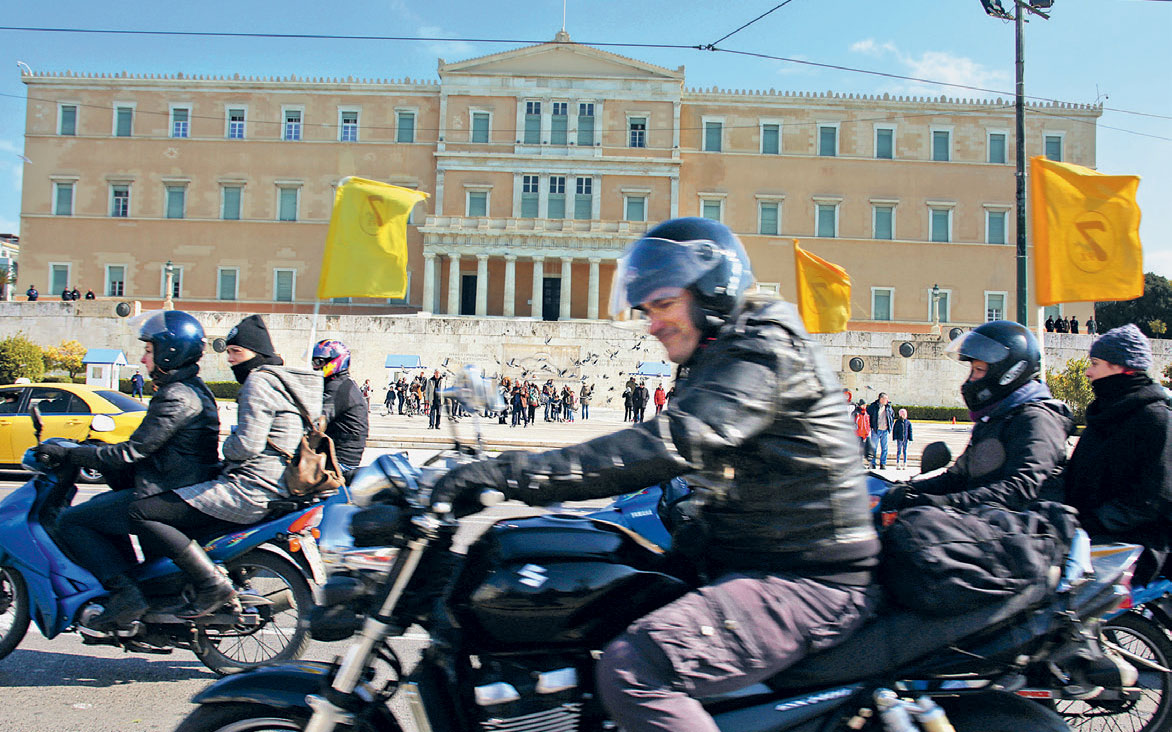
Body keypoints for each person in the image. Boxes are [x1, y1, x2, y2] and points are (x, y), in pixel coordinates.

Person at [420, 217, 879, 732]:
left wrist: (511, 473)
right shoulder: (720, 351)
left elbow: (676, 441)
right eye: (646, 310)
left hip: (808, 579)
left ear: (712, 291)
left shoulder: (763, 348)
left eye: (663, 304)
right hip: (745, 557)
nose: (651, 323)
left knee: (636, 670)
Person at [125, 314, 323, 619]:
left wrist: (225, 447)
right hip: (277, 484)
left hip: (250, 487)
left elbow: (247, 445)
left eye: (236, 352)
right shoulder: (285, 383)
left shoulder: (258, 381)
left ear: (256, 353)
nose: (231, 361)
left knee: (142, 511)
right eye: (228, 352)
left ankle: (210, 585)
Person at [42, 310, 222, 629]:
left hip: (171, 491)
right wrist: (93, 446)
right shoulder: (187, 388)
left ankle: (126, 594)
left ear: (170, 351)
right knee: (100, 511)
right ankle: (135, 584)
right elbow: (149, 443)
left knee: (73, 520)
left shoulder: (177, 396)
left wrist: (70, 454)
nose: (142, 359)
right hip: (176, 483)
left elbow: (131, 452)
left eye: (149, 350)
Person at [880, 320, 1073, 513]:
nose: (971, 379)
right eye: (972, 370)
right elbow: (959, 478)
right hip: (988, 526)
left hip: (1027, 531)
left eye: (979, 370)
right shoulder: (994, 419)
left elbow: (1021, 490)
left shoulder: (1038, 420)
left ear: (1009, 373)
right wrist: (908, 489)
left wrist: (942, 503)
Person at [1063, 324, 1172, 584]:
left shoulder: (1155, 420)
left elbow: (1152, 498)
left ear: (1123, 368)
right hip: (1088, 533)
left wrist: (1089, 524)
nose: (1088, 372)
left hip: (1135, 546)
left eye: (1095, 363)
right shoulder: (1105, 414)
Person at [312, 339, 368, 473]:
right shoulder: (342, 382)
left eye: (319, 361)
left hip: (340, 459)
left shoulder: (337, 387)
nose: (315, 366)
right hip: (342, 453)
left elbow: (316, 419)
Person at [866, 393, 894, 469]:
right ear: (881, 399)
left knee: (884, 448)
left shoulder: (888, 407)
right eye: (885, 399)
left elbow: (892, 417)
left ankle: (883, 463)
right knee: (873, 448)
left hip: (884, 430)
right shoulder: (873, 406)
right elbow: (867, 416)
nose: (887, 400)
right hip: (876, 430)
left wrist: (890, 426)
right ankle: (872, 464)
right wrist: (871, 426)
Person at [853, 399, 871, 463]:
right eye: (863, 405)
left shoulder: (866, 414)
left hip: (863, 434)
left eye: (865, 405)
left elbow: (867, 424)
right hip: (857, 434)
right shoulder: (856, 413)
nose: (864, 407)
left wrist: (867, 432)